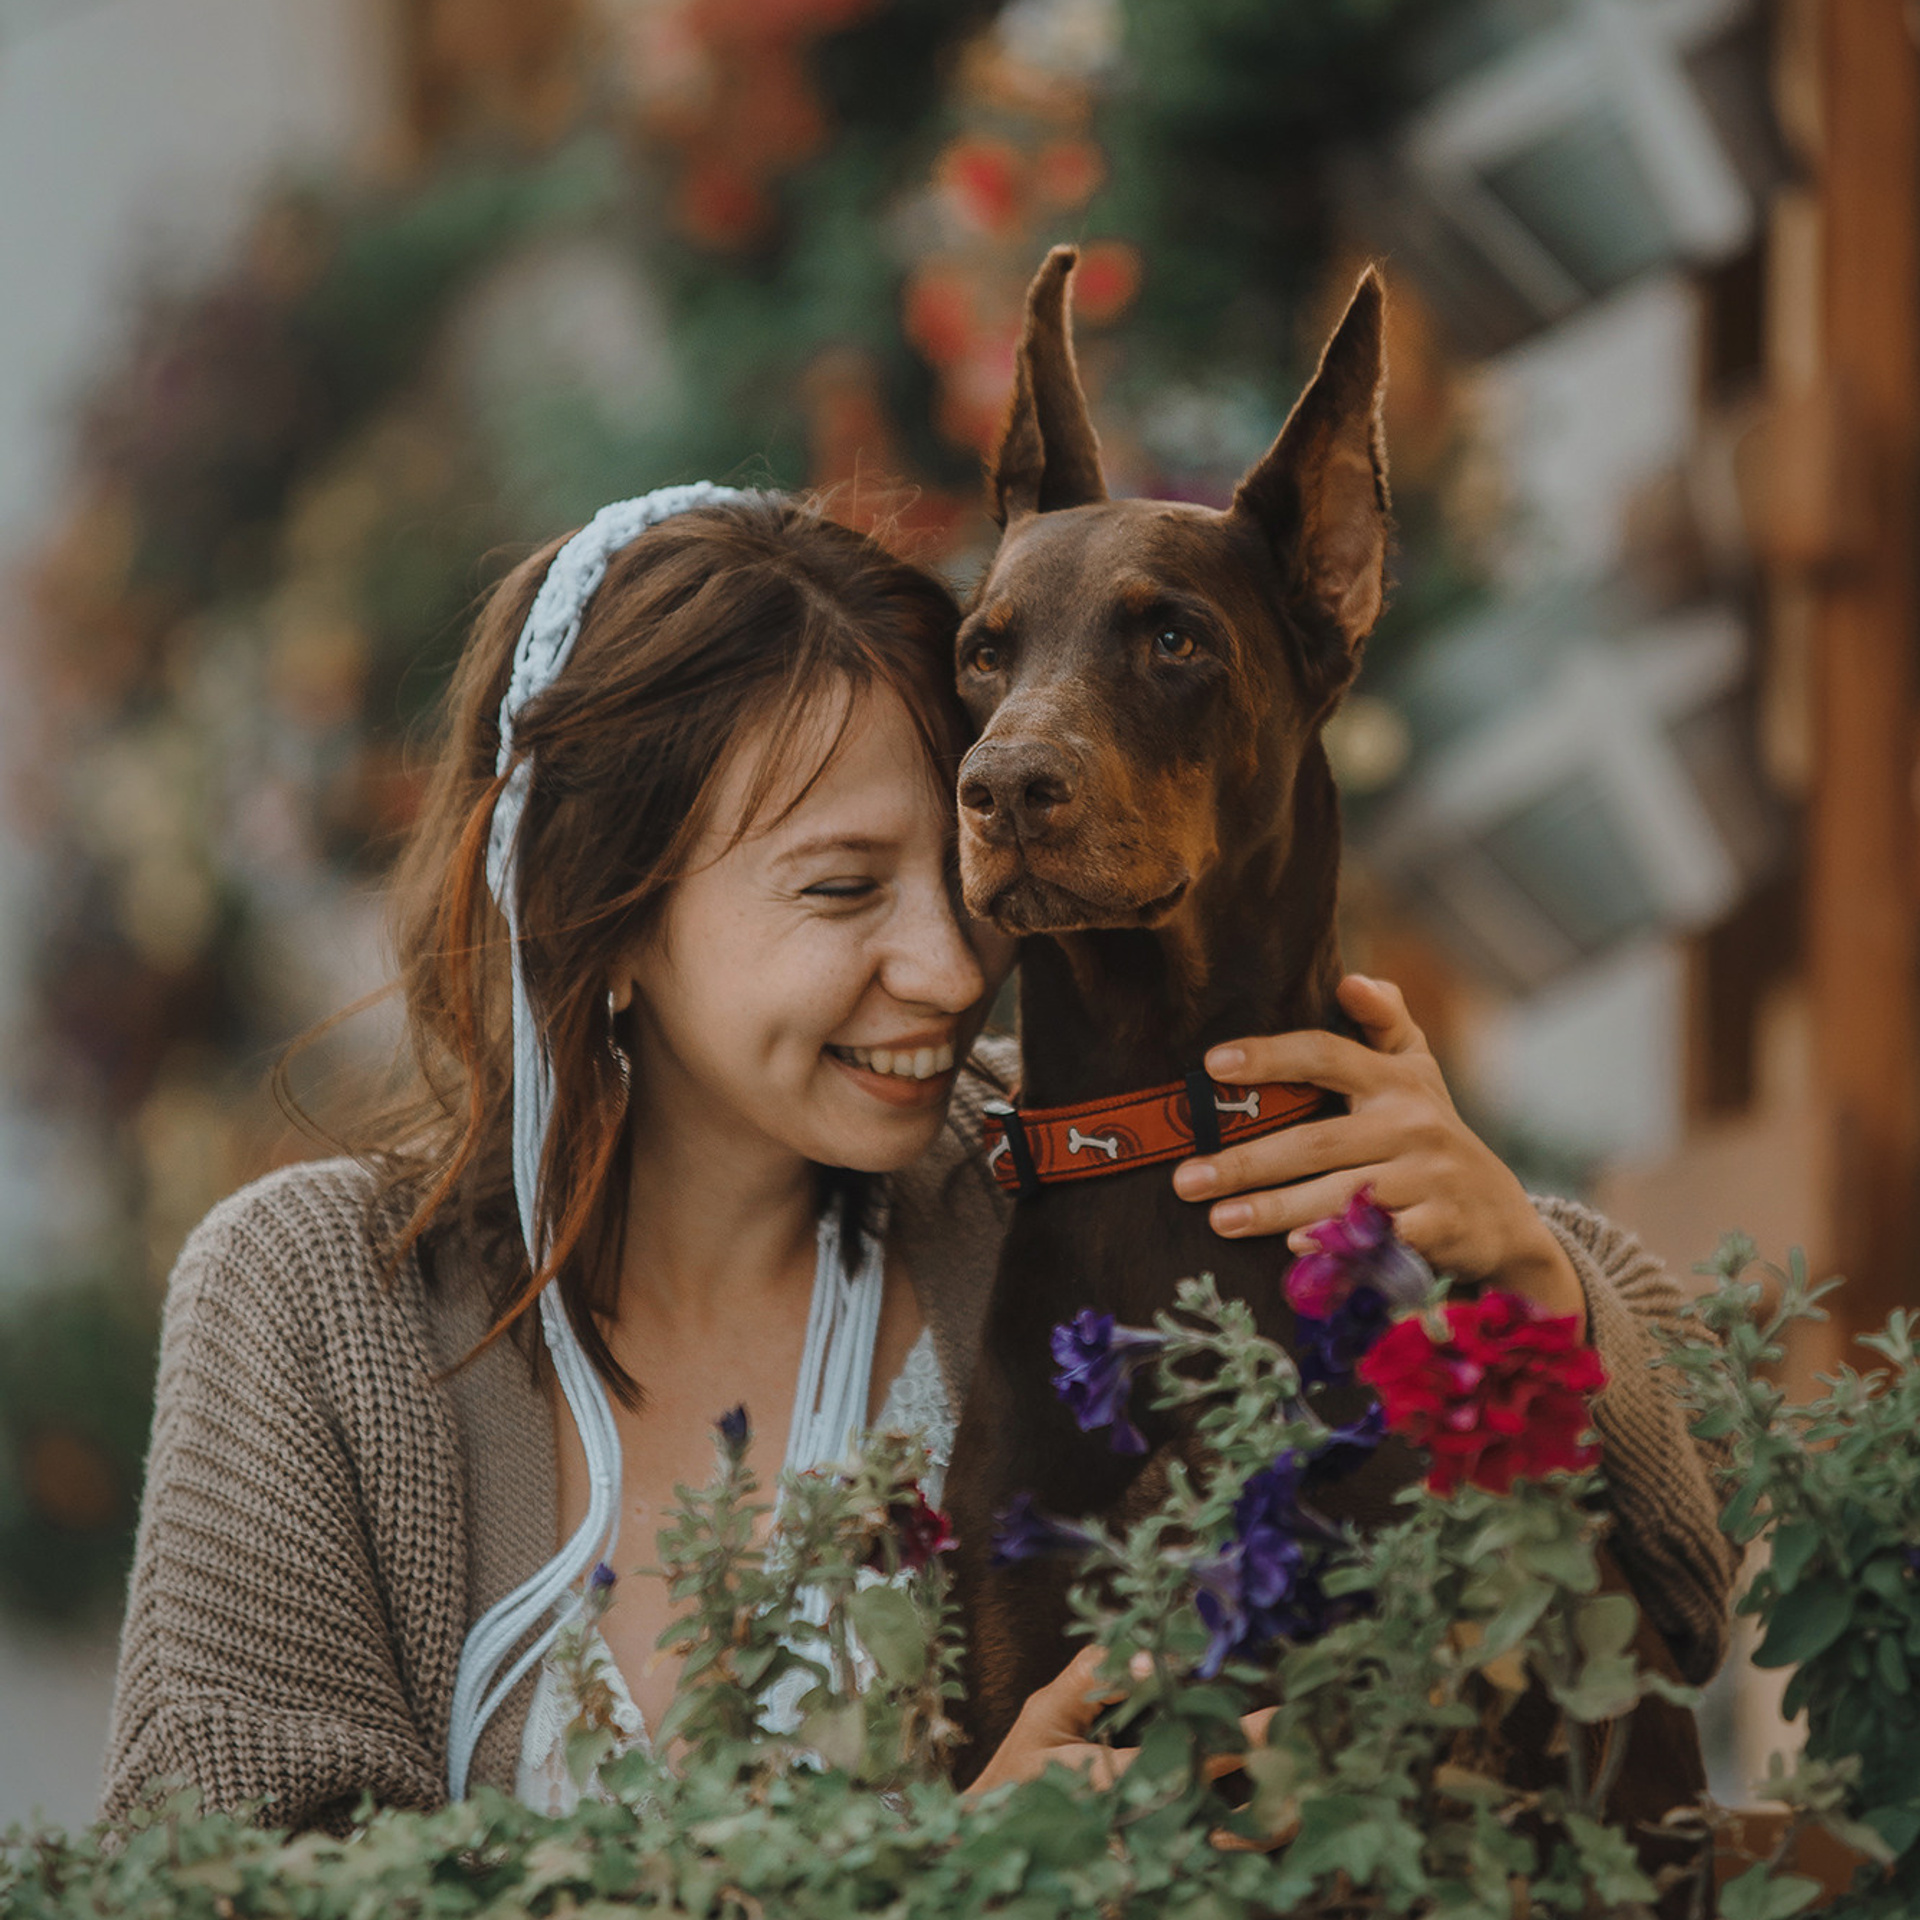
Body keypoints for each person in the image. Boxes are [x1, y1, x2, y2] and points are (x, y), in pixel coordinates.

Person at [102, 486, 1735, 1832]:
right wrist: (928, 1875)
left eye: (952, 867)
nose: (952, 975)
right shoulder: (319, 1302)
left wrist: (1530, 1275)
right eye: (837, 892)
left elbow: (1709, 1485)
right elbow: (226, 1870)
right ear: (598, 920)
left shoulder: (1056, 1182)